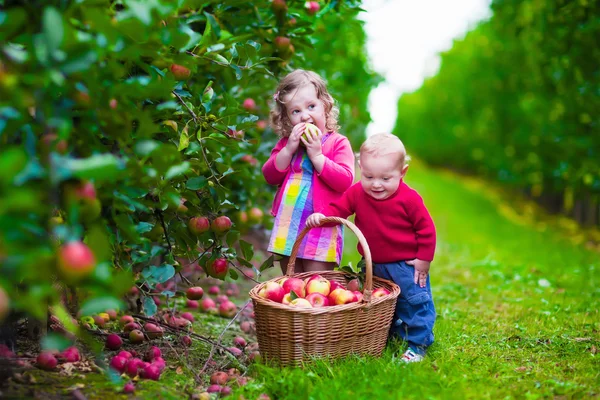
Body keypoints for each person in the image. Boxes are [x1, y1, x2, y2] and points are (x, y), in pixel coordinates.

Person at [306, 133, 436, 363]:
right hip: (372, 263)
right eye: (369, 176)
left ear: (402, 173)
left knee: (414, 301)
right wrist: (323, 216)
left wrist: (423, 260)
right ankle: (389, 333)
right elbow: (339, 208)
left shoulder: (409, 199)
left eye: (386, 178)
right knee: (381, 303)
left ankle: (418, 343)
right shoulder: (357, 192)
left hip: (405, 265)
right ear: (360, 168)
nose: (376, 184)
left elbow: (426, 229)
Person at [262, 69, 355, 274]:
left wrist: (318, 157)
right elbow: (270, 175)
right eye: (295, 111)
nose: (305, 116)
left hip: (321, 223)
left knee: (316, 280)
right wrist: (288, 149)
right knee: (291, 279)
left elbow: (345, 180)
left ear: (325, 106)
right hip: (288, 222)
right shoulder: (287, 144)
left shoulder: (337, 143)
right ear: (287, 118)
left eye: (311, 106)